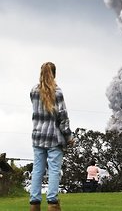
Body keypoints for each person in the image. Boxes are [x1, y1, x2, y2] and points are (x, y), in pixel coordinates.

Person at [29, 62, 73, 211]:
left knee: (37, 170)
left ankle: (34, 203)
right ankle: (52, 203)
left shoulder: (33, 91)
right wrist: (69, 137)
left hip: (37, 136)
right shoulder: (58, 92)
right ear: (54, 74)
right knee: (54, 170)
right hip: (54, 138)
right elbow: (62, 117)